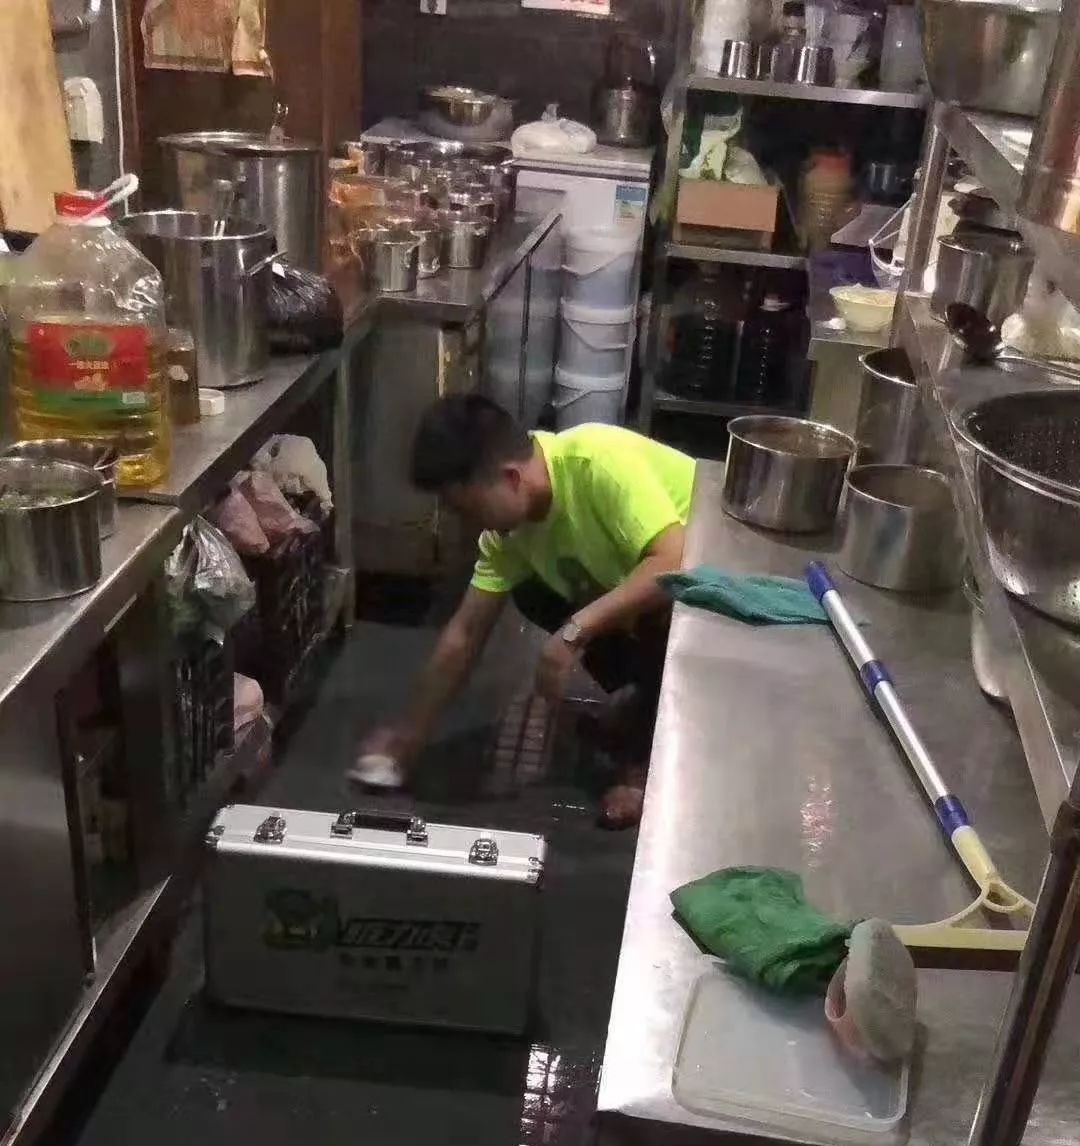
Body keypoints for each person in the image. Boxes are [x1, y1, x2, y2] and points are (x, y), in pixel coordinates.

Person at [353, 395, 696, 828]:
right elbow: (465, 634)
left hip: (715, 592)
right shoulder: (508, 537)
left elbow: (674, 562)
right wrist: (410, 735)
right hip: (651, 586)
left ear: (512, 478)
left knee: (643, 609)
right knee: (535, 593)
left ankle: (648, 759)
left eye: (470, 510)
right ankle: (643, 703)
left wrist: (575, 631)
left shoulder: (598, 460)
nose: (471, 525)